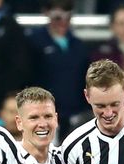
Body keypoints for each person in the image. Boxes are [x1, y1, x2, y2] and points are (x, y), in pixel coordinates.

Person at [26, 0, 90, 140]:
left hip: (75, 114)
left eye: (67, 17)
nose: (62, 22)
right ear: (46, 13)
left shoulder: (79, 45)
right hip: (43, 113)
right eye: (57, 17)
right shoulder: (32, 42)